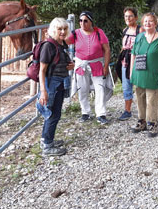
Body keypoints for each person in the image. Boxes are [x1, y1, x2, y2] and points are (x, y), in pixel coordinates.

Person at [130, 13, 158, 137]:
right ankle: (141, 121)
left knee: (152, 100)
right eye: (145, 21)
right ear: (143, 23)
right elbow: (133, 54)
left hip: (154, 74)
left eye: (150, 21)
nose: (148, 23)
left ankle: (153, 123)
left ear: (155, 23)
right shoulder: (139, 38)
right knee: (140, 98)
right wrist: (131, 71)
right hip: (139, 74)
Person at [37, 18, 75, 156]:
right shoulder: (48, 46)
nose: (63, 31)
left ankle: (46, 139)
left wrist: (70, 65)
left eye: (65, 29)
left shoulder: (61, 44)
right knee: (52, 113)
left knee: (54, 113)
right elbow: (42, 70)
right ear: (53, 29)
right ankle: (47, 146)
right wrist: (43, 91)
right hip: (51, 83)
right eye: (59, 29)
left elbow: (59, 63)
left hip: (59, 83)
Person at [66, 11, 112, 125]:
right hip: (81, 65)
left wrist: (106, 66)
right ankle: (85, 112)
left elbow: (107, 49)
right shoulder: (75, 33)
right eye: (80, 21)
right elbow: (63, 42)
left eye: (85, 21)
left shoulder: (99, 33)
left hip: (97, 65)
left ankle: (101, 114)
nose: (82, 23)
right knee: (82, 89)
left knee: (100, 88)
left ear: (91, 22)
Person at [117, 7, 144, 121]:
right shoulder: (125, 30)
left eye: (130, 16)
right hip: (125, 61)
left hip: (138, 61)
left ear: (136, 17)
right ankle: (127, 110)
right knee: (126, 86)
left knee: (140, 87)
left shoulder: (140, 30)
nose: (128, 18)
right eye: (126, 16)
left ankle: (144, 111)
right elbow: (123, 46)